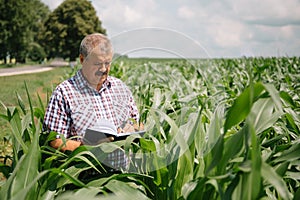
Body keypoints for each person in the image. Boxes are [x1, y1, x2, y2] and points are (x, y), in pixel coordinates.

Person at [43, 33, 141, 169]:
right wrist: (86, 146)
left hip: (124, 178)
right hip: (86, 181)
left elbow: (136, 123)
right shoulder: (64, 93)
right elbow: (54, 142)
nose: (103, 69)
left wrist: (131, 130)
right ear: (82, 60)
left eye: (107, 63)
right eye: (97, 63)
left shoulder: (120, 88)